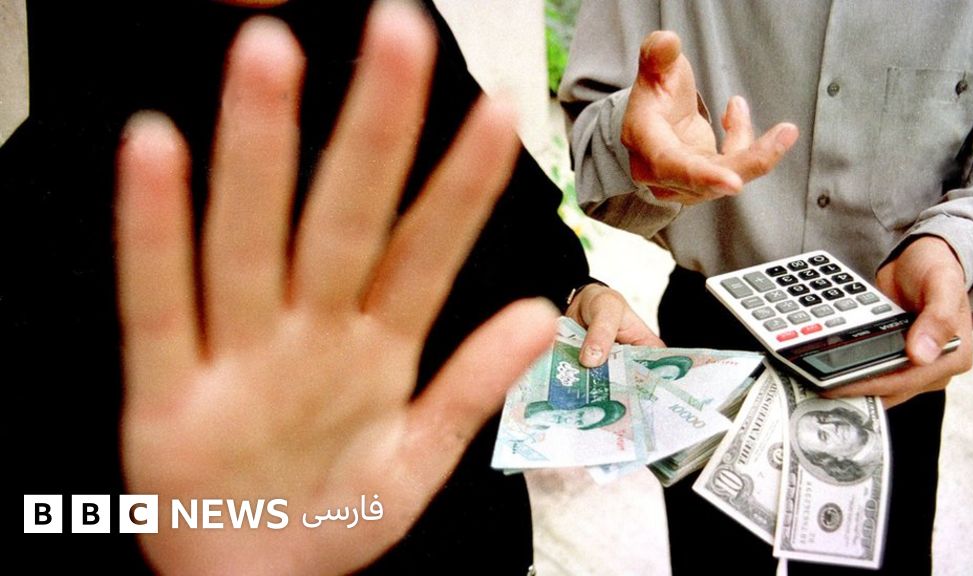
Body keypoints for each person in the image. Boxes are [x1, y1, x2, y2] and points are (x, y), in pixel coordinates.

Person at [5, 0, 662, 573]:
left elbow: (502, 225)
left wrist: (575, 294)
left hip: (457, 528)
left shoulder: (387, 28)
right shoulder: (69, 167)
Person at [559, 1, 973, 574]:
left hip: (891, 343)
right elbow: (593, 132)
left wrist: (959, 240)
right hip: (711, 329)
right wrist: (641, 152)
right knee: (710, 562)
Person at [792, 401, 884, 485]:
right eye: (824, 436)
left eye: (823, 419)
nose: (832, 425)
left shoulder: (880, 415)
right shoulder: (873, 468)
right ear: (833, 458)